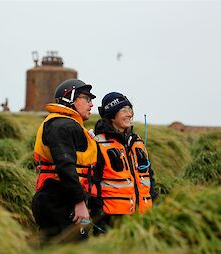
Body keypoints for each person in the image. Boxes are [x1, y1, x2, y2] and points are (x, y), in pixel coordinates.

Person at [31, 79, 97, 244]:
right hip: (59, 198)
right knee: (73, 249)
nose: (91, 104)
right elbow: (65, 165)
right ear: (71, 98)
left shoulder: (64, 124)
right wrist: (79, 202)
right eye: (87, 99)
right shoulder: (63, 125)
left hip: (60, 197)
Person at [91, 92, 158, 234]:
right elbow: (92, 183)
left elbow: (149, 178)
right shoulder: (98, 144)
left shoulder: (138, 142)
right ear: (111, 115)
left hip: (144, 219)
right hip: (113, 221)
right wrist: (99, 217)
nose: (129, 114)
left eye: (130, 109)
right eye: (124, 110)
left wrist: (154, 206)